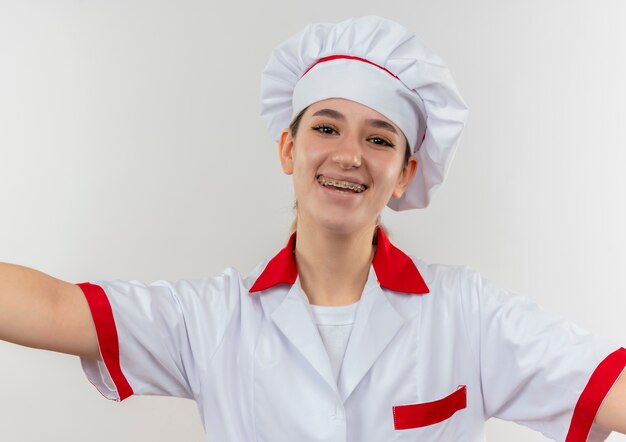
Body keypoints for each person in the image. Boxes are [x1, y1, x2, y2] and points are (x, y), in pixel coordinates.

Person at [0, 15, 624, 442]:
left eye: (378, 139)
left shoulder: (468, 315)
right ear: (287, 148)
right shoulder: (213, 319)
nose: (350, 155)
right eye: (326, 128)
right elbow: (55, 308)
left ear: (404, 173)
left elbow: (607, 384)